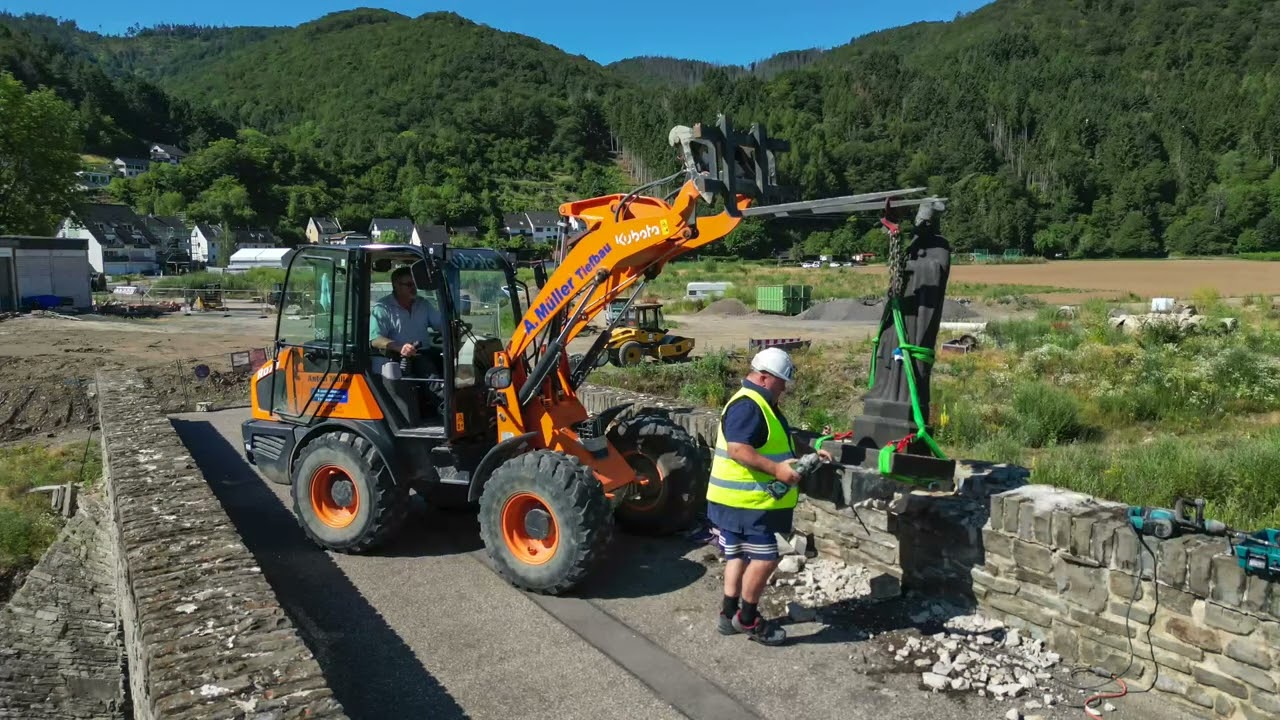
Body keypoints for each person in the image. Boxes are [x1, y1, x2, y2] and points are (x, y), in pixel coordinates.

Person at [707, 347, 831, 646]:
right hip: (749, 503)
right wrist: (777, 470)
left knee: (737, 555)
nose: (785, 387)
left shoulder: (756, 401)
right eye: (781, 381)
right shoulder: (749, 406)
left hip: (733, 501)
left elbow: (764, 444)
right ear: (763, 378)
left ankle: (728, 616)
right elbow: (738, 448)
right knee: (765, 559)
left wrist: (806, 457)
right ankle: (747, 619)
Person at [369, 266, 447, 424]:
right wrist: (400, 347)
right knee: (430, 375)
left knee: (450, 365)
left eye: (415, 284)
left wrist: (454, 327)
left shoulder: (422, 304)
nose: (414, 288)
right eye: (409, 284)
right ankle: (446, 413)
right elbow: (375, 339)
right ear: (396, 286)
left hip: (422, 352)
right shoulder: (383, 308)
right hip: (396, 357)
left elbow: (441, 324)